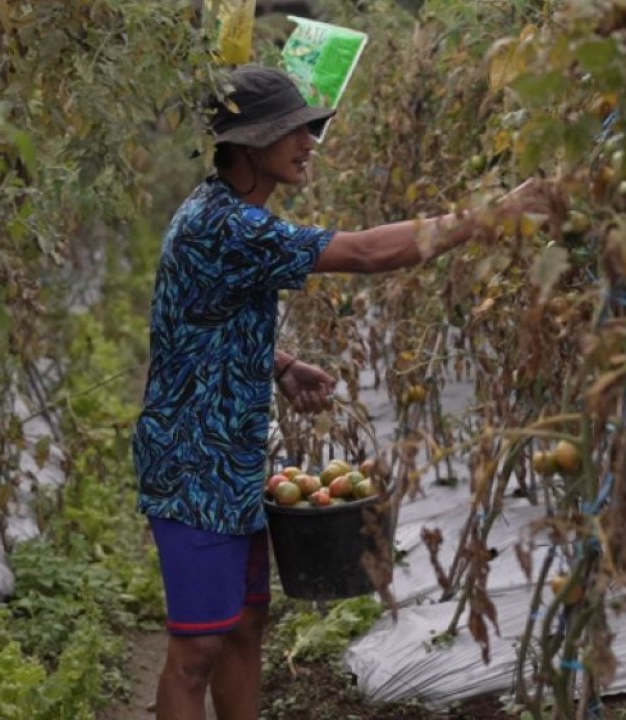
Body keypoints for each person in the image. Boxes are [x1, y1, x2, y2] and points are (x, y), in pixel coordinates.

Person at [132, 64, 559, 720]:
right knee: (196, 651)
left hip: (231, 457)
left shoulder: (227, 213)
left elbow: (195, 314)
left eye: (311, 129)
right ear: (249, 145)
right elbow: (364, 255)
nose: (310, 142)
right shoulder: (228, 225)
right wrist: (493, 215)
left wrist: (278, 362)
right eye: (295, 132)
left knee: (245, 626)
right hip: (194, 464)